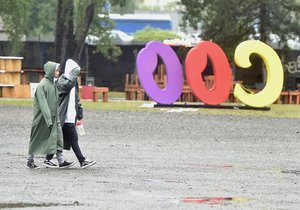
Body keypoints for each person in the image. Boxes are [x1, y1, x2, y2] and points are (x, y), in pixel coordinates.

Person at [44, 59, 96, 169]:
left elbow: (76, 98)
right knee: (73, 139)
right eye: (75, 71)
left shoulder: (73, 82)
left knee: (59, 139)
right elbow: (66, 87)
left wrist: (80, 111)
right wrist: (74, 74)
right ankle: (82, 161)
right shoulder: (61, 81)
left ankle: (48, 159)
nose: (76, 74)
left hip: (71, 116)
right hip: (64, 116)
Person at [27, 61, 75, 169]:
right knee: (36, 138)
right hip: (42, 119)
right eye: (56, 70)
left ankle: (61, 160)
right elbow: (43, 105)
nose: (58, 72)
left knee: (58, 137)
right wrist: (48, 120)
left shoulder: (53, 84)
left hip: (54, 118)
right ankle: (30, 160)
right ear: (51, 71)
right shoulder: (42, 85)